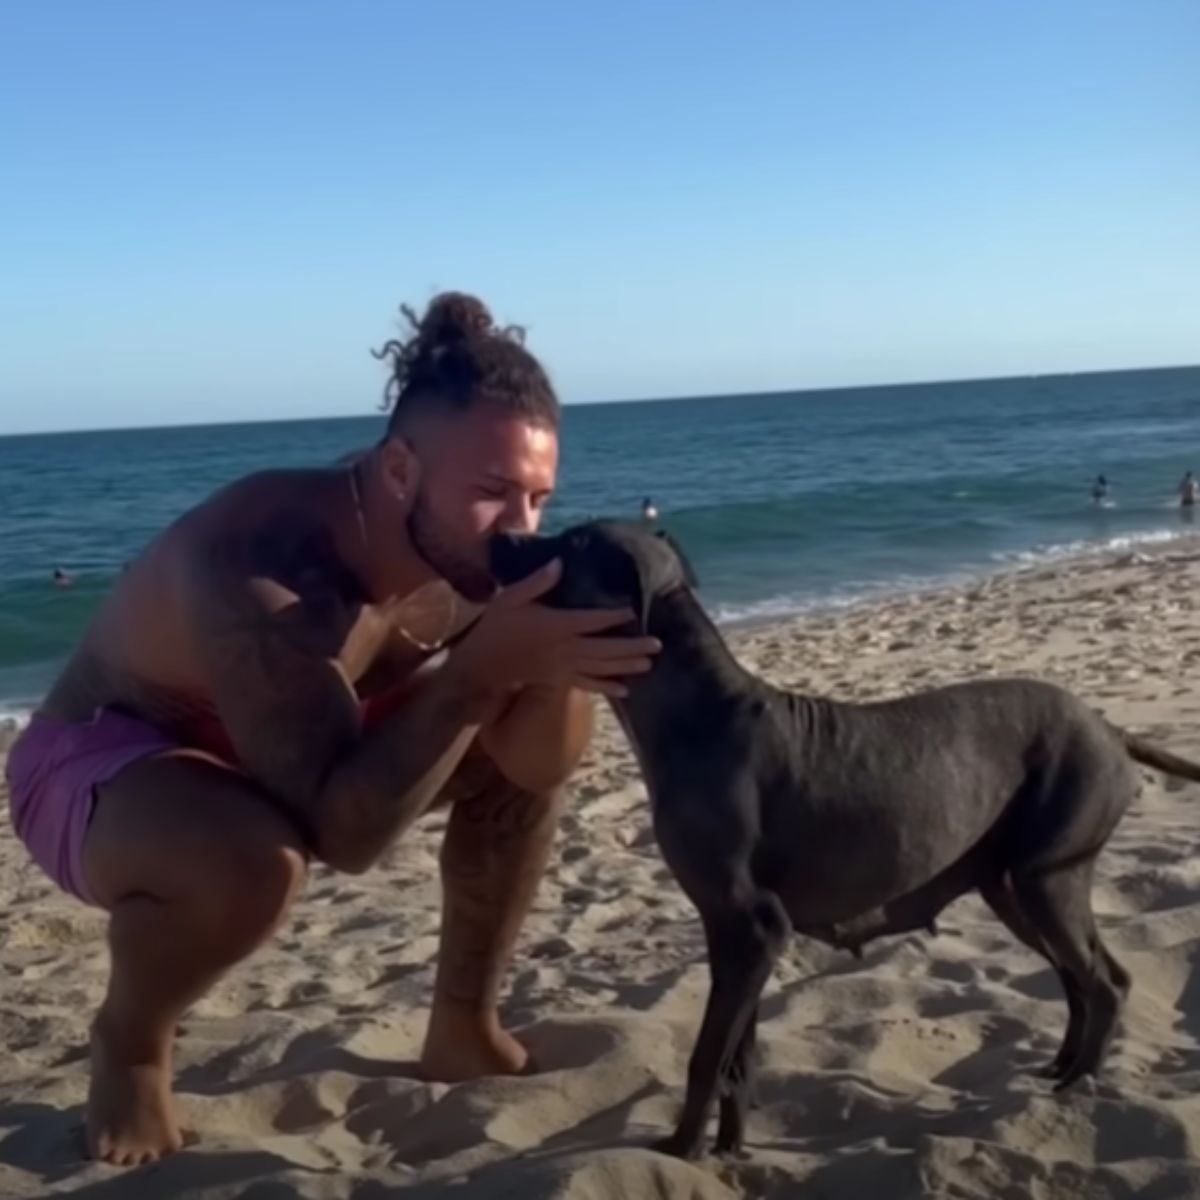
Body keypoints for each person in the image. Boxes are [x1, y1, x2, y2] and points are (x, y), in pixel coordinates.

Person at [4, 292, 660, 1166]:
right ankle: (128, 1047)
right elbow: (343, 838)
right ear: (399, 471)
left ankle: (462, 1026)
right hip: (109, 759)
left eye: (539, 498)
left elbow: (536, 767)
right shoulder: (263, 566)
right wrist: (476, 673)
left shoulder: (463, 549)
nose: (522, 527)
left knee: (498, 715)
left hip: (299, 737)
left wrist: (541, 671)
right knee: (254, 862)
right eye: (494, 493)